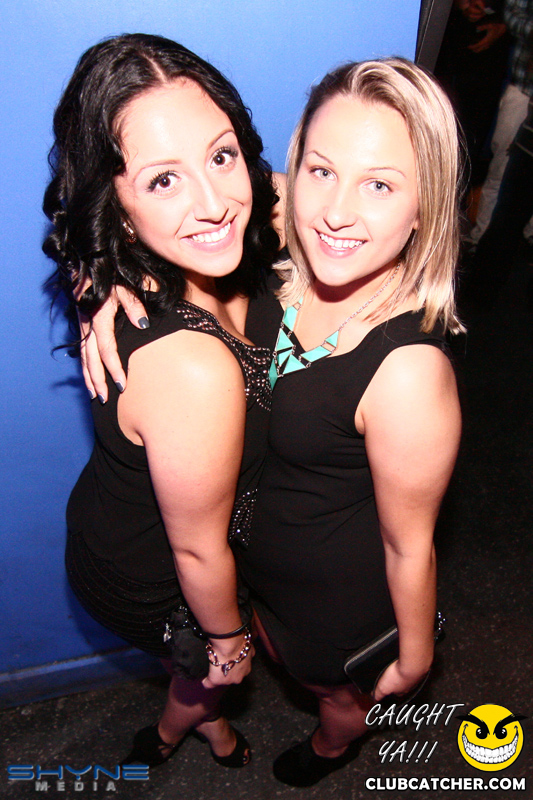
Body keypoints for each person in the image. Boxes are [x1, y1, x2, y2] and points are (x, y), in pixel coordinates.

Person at [73, 57, 463, 788]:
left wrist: (414, 655)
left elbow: (408, 544)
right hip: (254, 565)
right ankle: (201, 721)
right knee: (244, 663)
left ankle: (331, 749)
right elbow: (175, 199)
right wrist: (107, 276)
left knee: (333, 695)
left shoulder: (409, 371)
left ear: (425, 209)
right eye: (321, 170)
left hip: (332, 594)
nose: (337, 212)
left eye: (381, 185)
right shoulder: (287, 243)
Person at [43, 33, 281, 770]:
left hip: (156, 532)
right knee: (205, 677)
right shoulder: (190, 367)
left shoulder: (244, 219)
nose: (214, 204)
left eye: (220, 156)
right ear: (116, 209)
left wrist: (95, 281)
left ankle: (188, 722)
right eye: (162, 181)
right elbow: (196, 549)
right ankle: (183, 732)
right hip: (150, 572)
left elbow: (331, 190)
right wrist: (229, 642)